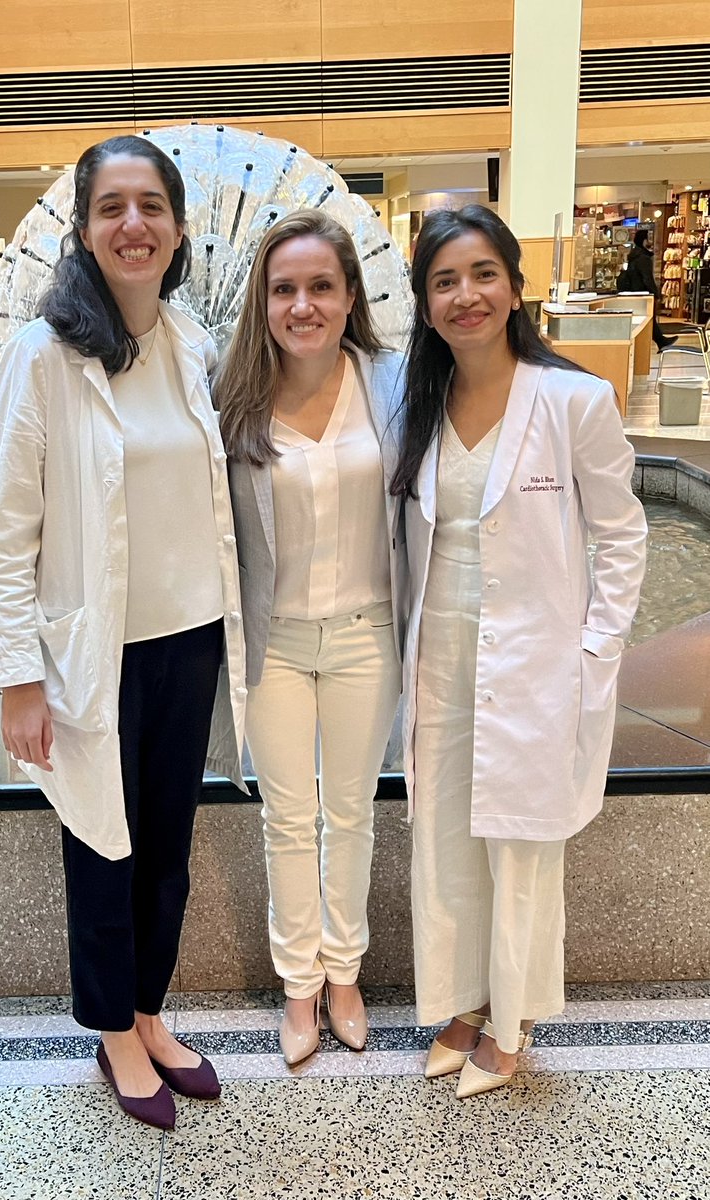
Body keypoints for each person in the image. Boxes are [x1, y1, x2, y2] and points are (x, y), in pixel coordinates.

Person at [0, 135, 247, 1130]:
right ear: (85, 230)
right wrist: (16, 676)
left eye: (151, 207)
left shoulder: (190, 342)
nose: (133, 225)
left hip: (190, 638)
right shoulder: (43, 358)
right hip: (95, 650)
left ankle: (149, 1010)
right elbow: (7, 532)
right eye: (111, 208)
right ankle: (112, 1032)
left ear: (176, 230)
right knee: (104, 843)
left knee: (167, 845)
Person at [390, 205, 646, 1099]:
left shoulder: (574, 400)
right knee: (450, 841)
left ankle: (515, 1016)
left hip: (538, 662)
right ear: (424, 303)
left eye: (481, 274)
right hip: (443, 660)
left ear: (514, 284)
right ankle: (462, 1002)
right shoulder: (417, 406)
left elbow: (621, 536)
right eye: (444, 281)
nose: (465, 296)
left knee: (523, 848)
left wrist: (593, 649)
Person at [214, 210, 406, 1065]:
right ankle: (299, 986)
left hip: (368, 634)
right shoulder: (234, 399)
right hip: (277, 646)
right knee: (287, 821)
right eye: (283, 289)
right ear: (263, 302)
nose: (302, 305)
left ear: (349, 294)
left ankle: (345, 975)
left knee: (351, 813)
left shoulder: (392, 384)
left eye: (319, 286)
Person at [619, 229, 677, 351]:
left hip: (634, 291)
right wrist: (655, 293)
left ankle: (661, 341)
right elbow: (647, 278)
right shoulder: (643, 258)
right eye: (648, 238)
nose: (650, 241)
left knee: (649, 318)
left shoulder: (634, 255)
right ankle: (661, 341)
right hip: (642, 292)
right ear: (643, 240)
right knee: (649, 317)